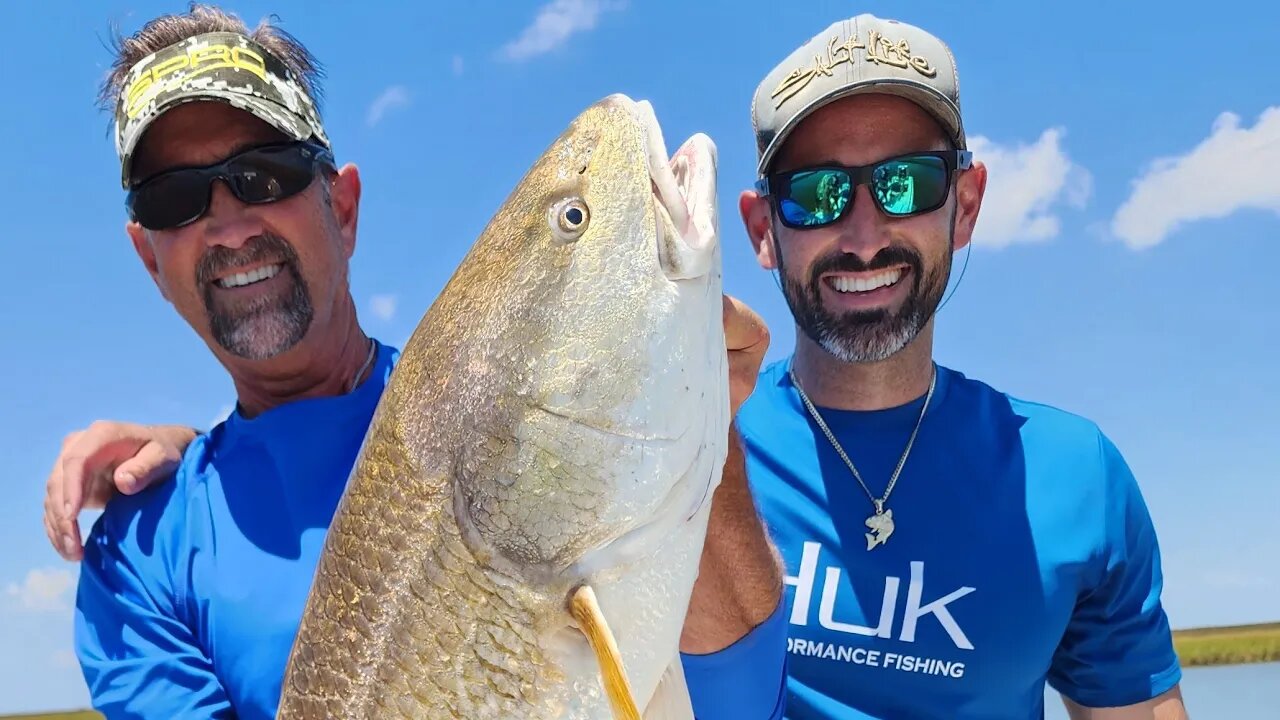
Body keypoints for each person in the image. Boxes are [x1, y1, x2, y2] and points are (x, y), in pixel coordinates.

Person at [46, 5, 787, 719]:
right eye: (174, 198)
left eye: (263, 175)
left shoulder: (520, 400)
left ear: (342, 208)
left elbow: (743, 703)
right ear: (148, 257)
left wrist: (702, 421)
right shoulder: (136, 557)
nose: (229, 224)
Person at [733, 13, 1188, 720]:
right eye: (815, 193)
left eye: (906, 183)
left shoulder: (1074, 477)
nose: (862, 237)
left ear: (966, 205)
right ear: (765, 231)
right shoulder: (692, 461)